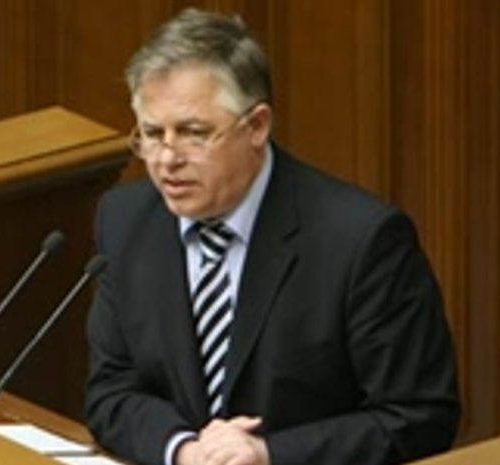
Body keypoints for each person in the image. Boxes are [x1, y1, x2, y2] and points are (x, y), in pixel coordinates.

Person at [84, 8, 460, 465]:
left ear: (257, 126)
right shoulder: (126, 221)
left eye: (193, 133)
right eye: (151, 134)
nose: (166, 159)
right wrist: (183, 449)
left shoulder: (360, 241)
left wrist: (270, 454)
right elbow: (111, 389)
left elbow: (420, 416)